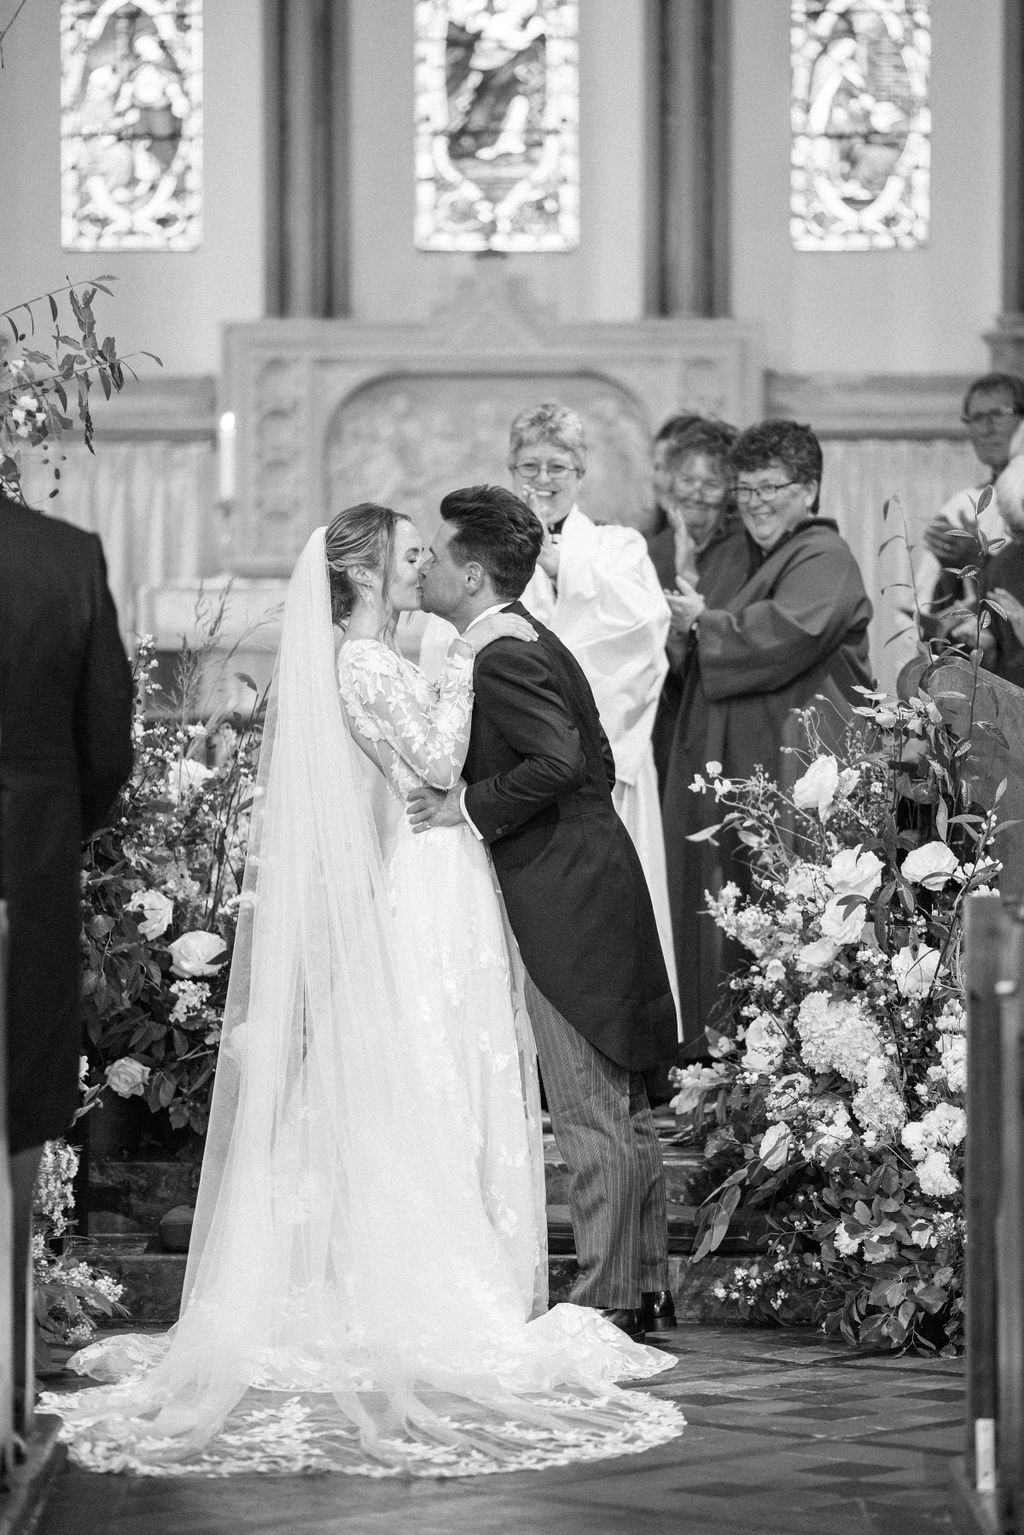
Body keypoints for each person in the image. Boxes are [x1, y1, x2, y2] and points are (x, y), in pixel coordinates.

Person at [41, 502, 681, 1478]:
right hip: (433, 878)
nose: (423, 558)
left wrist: (467, 671)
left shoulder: (415, 649)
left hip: (448, 869)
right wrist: (467, 666)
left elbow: (489, 756)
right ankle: (450, 1271)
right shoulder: (368, 658)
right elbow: (432, 757)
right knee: (436, 1071)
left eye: (432, 550)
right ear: (370, 571)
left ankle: (532, 1271)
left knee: (452, 1068)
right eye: (407, 551)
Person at [409, 485, 679, 1343]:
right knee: (618, 1105)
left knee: (591, 1105)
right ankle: (639, 1281)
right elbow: (593, 755)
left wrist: (468, 805)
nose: (423, 569)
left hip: (566, 894)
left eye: (437, 555)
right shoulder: (529, 636)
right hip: (590, 874)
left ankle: (607, 1296)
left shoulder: (502, 655)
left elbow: (563, 761)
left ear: (474, 571)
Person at [661, 420, 873, 1046]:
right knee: (723, 912)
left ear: (808, 490)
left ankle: (796, 1077)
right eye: (745, 489)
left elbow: (788, 633)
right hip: (731, 769)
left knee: (791, 916)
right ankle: (721, 1067)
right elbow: (696, 653)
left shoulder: (825, 558)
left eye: (770, 487)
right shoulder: (731, 557)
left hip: (796, 773)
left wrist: (708, 623)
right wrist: (684, 633)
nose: (755, 502)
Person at [1, 494, 133, 1435]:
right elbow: (106, 743)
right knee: (13, 1121)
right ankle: (8, 1389)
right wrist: (46, 835)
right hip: (25, 873)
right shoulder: (64, 556)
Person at [654, 423, 750, 1053]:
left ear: (731, 491)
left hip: (715, 723)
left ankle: (717, 1037)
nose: (697, 491)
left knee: (714, 876)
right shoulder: (650, 547)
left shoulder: (743, 551)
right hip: (659, 722)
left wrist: (689, 627)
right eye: (686, 479)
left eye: (711, 480)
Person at [917, 373, 1024, 640]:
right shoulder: (961, 505)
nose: (986, 428)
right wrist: (950, 572)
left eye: (998, 414)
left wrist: (978, 561)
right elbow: (929, 611)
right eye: (976, 418)